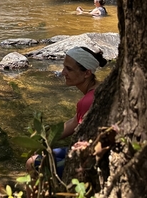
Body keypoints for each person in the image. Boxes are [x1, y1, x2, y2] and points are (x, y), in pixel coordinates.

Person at [26, 46, 108, 176]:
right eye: (64, 67)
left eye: (69, 69)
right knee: (43, 155)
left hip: (88, 161)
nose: (63, 72)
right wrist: (44, 140)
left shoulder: (87, 101)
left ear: (87, 73)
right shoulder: (100, 88)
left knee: (32, 162)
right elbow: (74, 122)